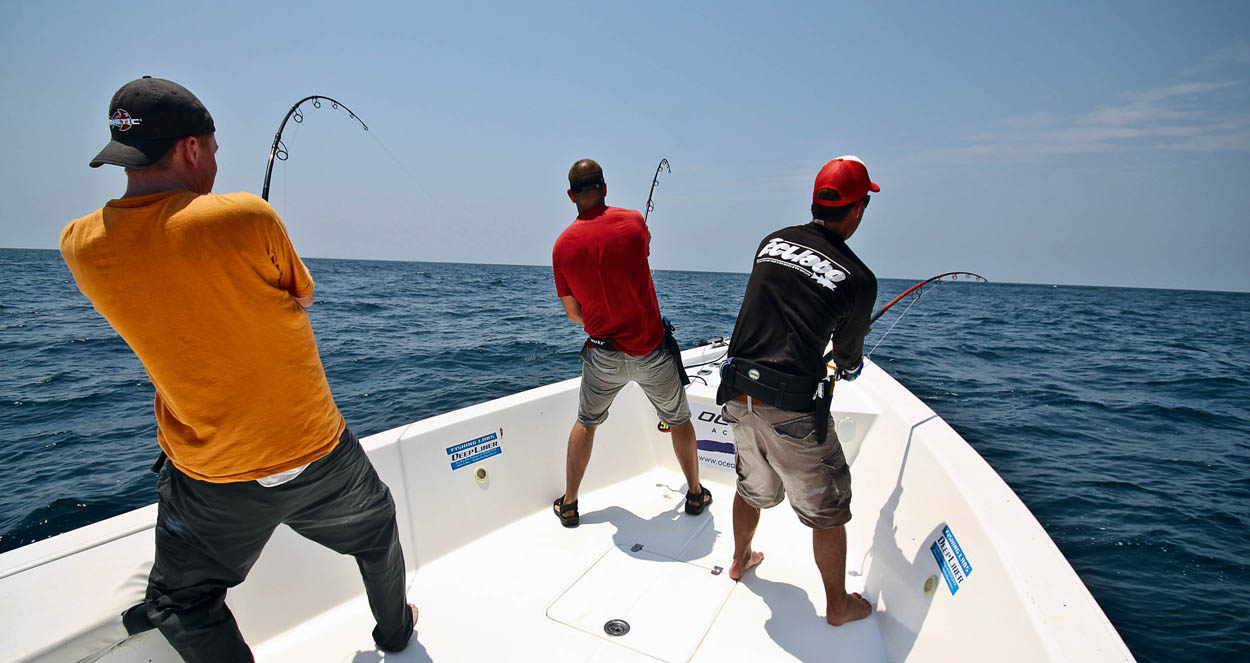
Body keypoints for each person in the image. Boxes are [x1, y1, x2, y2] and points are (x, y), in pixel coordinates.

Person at [59, 77, 416, 662]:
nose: (216, 163)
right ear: (191, 149)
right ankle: (396, 634)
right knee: (377, 533)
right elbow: (302, 297)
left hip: (211, 480)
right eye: (215, 150)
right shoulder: (245, 216)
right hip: (317, 455)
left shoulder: (80, 245)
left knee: (180, 601)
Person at [715, 155, 880, 626]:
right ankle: (836, 605)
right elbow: (847, 358)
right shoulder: (859, 279)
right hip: (789, 408)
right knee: (829, 508)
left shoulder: (773, 242)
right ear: (856, 209)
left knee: (751, 484)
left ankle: (740, 559)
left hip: (735, 393)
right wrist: (845, 365)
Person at [551, 158, 710, 527]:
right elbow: (641, 251)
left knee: (586, 422)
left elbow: (573, 313)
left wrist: (600, 320)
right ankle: (695, 493)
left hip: (602, 355)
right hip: (651, 352)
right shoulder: (635, 222)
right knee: (680, 420)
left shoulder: (561, 248)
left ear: (570, 195)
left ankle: (571, 503)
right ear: (604, 188)